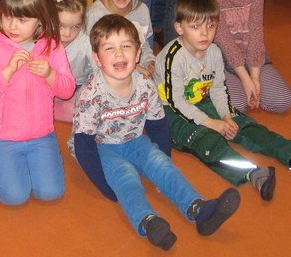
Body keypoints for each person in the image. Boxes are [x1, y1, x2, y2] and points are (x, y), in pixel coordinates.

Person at [72, 14, 240, 251]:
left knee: (163, 166)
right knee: (126, 178)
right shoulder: (91, 94)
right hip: (102, 147)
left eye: (126, 46)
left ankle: (199, 209)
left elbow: (158, 125)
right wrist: (103, 184)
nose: (119, 54)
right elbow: (83, 144)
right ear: (97, 59)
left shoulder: (144, 83)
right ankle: (148, 221)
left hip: (135, 140)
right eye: (109, 48)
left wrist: (164, 159)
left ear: (137, 54)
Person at [154, 0, 291, 201]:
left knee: (243, 124)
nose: (204, 33)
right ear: (180, 28)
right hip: (171, 114)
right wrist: (212, 123)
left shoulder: (214, 52)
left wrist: (226, 116)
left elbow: (218, 88)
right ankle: (252, 173)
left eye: (211, 26)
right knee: (208, 141)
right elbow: (177, 102)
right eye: (195, 27)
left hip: (202, 101)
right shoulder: (173, 57)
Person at [0, 0, 76, 205]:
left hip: (41, 135)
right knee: (14, 197)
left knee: (51, 192)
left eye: (21, 19)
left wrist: (50, 75)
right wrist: (7, 72)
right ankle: (2, 160)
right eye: (7, 16)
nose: (12, 26)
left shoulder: (52, 47)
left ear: (40, 19)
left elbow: (67, 90)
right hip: (2, 137)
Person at [85, 0, 155, 74]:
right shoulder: (95, 15)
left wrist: (150, 62)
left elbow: (144, 46)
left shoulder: (142, 10)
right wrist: (136, 69)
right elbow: (93, 61)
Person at [52, 0, 93, 122]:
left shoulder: (85, 42)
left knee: (80, 108)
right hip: (50, 87)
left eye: (75, 27)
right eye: (60, 26)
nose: (67, 34)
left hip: (77, 86)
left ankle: (48, 111)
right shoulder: (41, 40)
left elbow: (100, 70)